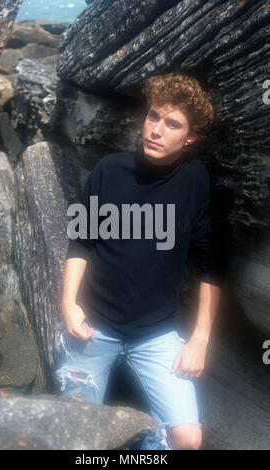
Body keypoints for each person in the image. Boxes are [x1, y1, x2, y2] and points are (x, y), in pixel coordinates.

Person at [52, 72, 225, 450]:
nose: (156, 130)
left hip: (156, 333)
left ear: (190, 137)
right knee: (74, 438)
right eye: (153, 117)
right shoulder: (108, 171)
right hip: (94, 326)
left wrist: (199, 340)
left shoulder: (196, 181)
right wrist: (68, 306)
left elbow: (212, 267)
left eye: (172, 123)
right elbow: (80, 243)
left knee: (187, 439)